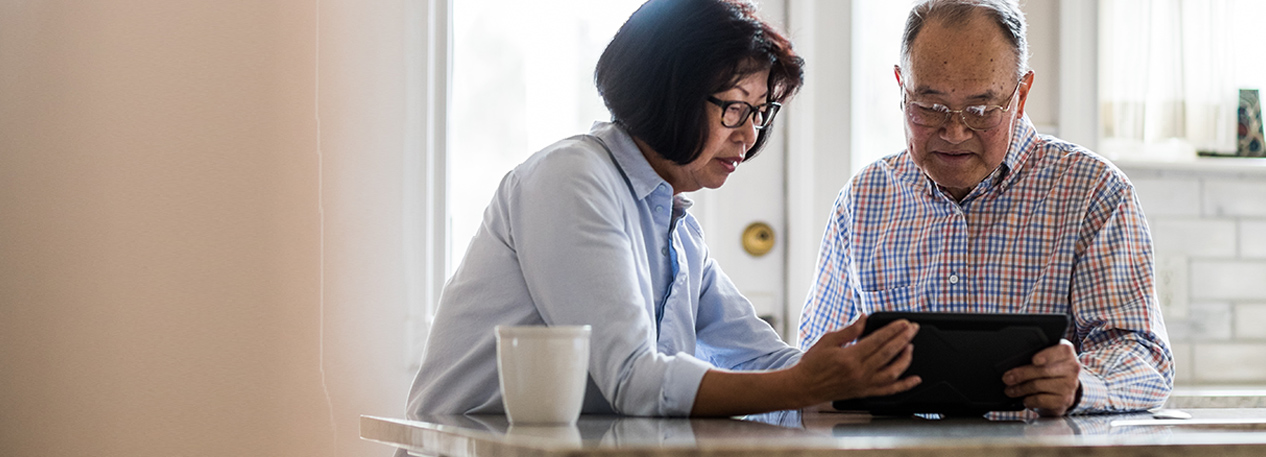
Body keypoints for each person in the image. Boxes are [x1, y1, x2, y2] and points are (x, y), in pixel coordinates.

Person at [407, 0, 923, 419]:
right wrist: (801, 384)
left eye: (760, 113)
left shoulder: (675, 226)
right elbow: (634, 380)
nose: (748, 135)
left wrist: (887, 380)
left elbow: (764, 361)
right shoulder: (573, 179)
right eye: (735, 108)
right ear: (669, 93)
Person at [798, 0, 1173, 417]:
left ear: (1022, 94)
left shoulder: (1093, 191)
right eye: (929, 107)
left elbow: (1144, 359)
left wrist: (1082, 383)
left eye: (980, 110)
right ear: (900, 86)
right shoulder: (864, 199)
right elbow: (815, 360)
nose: (955, 132)